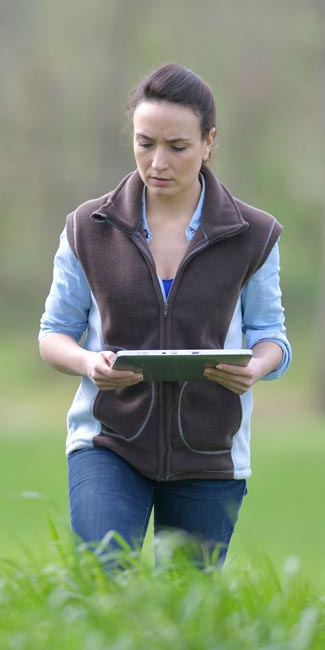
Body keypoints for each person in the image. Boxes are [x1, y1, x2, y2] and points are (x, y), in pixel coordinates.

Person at [38, 63, 290, 568]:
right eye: (144, 142)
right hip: (107, 443)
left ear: (209, 142)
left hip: (212, 454)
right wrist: (90, 364)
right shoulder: (88, 228)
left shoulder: (254, 235)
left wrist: (256, 368)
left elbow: (272, 337)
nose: (158, 162)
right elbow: (53, 335)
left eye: (177, 147)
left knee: (188, 609)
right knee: (104, 581)